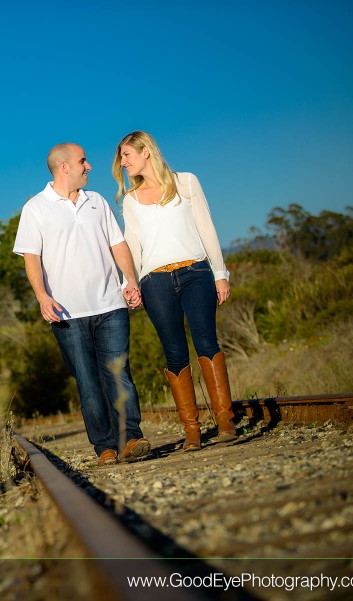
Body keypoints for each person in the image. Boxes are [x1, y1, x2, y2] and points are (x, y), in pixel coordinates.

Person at [13, 143, 150, 466]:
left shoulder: (97, 202)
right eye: (83, 161)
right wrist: (42, 296)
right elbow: (31, 258)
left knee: (119, 374)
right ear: (64, 168)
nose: (89, 167)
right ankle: (104, 446)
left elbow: (118, 245)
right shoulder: (35, 208)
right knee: (87, 381)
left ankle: (132, 437)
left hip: (110, 304)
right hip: (66, 313)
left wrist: (130, 280)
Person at [112, 131, 237, 451]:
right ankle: (192, 431)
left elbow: (206, 227)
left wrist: (220, 273)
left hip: (196, 273)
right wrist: (131, 284)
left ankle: (225, 421)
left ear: (146, 153)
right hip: (156, 282)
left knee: (207, 342)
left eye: (127, 155)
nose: (123, 163)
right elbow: (135, 245)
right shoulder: (131, 200)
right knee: (175, 352)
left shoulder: (187, 183)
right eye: (122, 158)